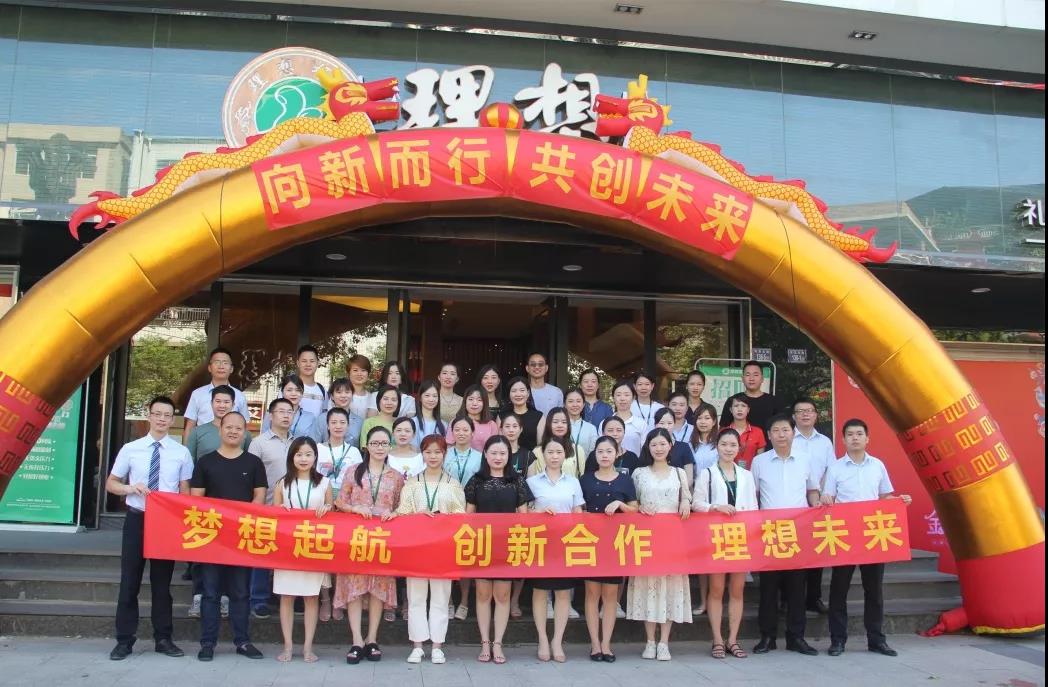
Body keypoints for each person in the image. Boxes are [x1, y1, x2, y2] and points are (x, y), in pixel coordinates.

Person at [106, 396, 193, 661]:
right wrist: (130, 488)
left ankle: (163, 638)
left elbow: (185, 492)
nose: (162, 419)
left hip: (165, 523)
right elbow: (111, 483)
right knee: (129, 581)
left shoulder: (181, 452)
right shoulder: (131, 449)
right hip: (137, 518)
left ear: (173, 419)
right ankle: (124, 640)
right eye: (158, 414)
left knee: (162, 584)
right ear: (149, 415)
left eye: (167, 415)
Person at [822, 418, 911, 658]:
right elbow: (828, 498)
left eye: (859, 434)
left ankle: (876, 640)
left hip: (872, 534)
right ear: (843, 440)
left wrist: (900, 501)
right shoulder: (836, 468)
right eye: (850, 434)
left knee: (874, 591)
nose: (855, 438)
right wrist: (826, 499)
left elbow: (885, 497)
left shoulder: (877, 465)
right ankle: (837, 640)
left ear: (867, 438)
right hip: (845, 535)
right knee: (838, 590)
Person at [190, 412, 267, 662]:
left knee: (241, 592)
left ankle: (242, 641)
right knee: (210, 592)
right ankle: (207, 643)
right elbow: (196, 499)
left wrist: (239, 522)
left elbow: (259, 497)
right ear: (220, 429)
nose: (233, 431)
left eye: (238, 428)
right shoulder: (205, 462)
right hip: (212, 537)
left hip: (242, 537)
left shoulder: (253, 463)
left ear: (245, 432)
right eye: (229, 427)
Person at [387, 435, 466, 664]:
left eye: (437, 452)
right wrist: (416, 515)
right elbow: (402, 512)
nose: (433, 456)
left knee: (441, 597)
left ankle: (438, 645)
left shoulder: (453, 484)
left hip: (443, 549)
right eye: (428, 452)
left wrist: (444, 518)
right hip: (418, 549)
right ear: (422, 454)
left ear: (444, 454)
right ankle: (418, 645)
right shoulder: (412, 483)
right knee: (416, 597)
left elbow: (461, 515)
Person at [750, 414, 820, 656]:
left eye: (785, 430)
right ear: (769, 435)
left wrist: (817, 506)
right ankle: (767, 637)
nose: (781, 434)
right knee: (768, 588)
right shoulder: (759, 462)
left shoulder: (805, 459)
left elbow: (812, 491)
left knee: (797, 588)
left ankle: (796, 637)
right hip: (769, 531)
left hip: (797, 531)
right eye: (776, 430)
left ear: (793, 433)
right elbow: (753, 496)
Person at [334, 426, 405, 664]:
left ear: (390, 446)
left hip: (382, 540)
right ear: (366, 446)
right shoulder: (353, 471)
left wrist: (393, 514)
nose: (379, 448)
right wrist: (355, 508)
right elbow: (340, 501)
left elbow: (400, 506)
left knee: (378, 588)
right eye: (375, 443)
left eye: (384, 443)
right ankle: (356, 639)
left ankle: (372, 638)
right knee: (354, 587)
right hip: (356, 538)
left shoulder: (396, 476)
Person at [464, 436, 533, 664]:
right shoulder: (476, 481)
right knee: (483, 595)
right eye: (493, 453)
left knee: (502, 596)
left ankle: (498, 643)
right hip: (483, 545)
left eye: (502, 453)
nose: (497, 457)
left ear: (508, 456)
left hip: (508, 545)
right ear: (485, 454)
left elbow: (523, 517)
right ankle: (485, 642)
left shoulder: (517, 481)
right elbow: (469, 516)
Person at [183, 385, 249, 618]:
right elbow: (189, 464)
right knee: (202, 554)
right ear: (210, 404)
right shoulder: (198, 432)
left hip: (234, 510)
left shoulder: (244, 434)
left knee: (230, 556)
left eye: (226, 402)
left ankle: (224, 598)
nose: (222, 405)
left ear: (233, 404)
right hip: (205, 505)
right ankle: (198, 597)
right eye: (218, 401)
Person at [692, 428, 758, 659]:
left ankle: (733, 639)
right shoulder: (707, 474)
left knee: (737, 590)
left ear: (739, 448)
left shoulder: (746, 475)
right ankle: (718, 640)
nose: (728, 449)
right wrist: (715, 507)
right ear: (717, 447)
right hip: (716, 536)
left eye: (733, 445)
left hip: (741, 537)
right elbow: (696, 502)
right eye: (724, 445)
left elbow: (753, 507)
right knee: (717, 589)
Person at [627, 428, 692, 661]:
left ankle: (664, 642)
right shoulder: (639, 473)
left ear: (670, 446)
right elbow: (632, 503)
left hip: (673, 537)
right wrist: (639, 508)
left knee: (670, 587)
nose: (658, 448)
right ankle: (650, 641)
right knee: (648, 587)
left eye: (663, 444)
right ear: (648, 447)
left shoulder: (679, 473)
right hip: (646, 537)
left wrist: (686, 501)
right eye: (654, 444)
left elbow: (687, 496)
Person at [273, 437, 333, 663]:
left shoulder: (324, 483)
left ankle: (308, 647)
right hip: (288, 547)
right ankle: (288, 646)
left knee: (311, 597)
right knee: (286, 596)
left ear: (315, 457)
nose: (304, 459)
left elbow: (332, 513)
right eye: (299, 454)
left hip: (314, 546)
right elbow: (272, 516)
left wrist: (328, 508)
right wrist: (280, 509)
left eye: (308, 454)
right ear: (292, 457)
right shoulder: (282, 483)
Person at [580, 435, 638, 662]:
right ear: (595, 454)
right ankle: (595, 644)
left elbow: (635, 509)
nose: (604, 455)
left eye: (609, 451)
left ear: (617, 454)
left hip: (615, 544)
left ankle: (607, 644)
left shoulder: (625, 480)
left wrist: (621, 504)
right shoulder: (585, 480)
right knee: (592, 593)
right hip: (590, 543)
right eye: (600, 451)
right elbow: (578, 509)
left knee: (611, 595)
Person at [527, 438, 585, 663]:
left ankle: (557, 640)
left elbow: (578, 512)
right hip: (540, 542)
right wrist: (538, 514)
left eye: (558, 452)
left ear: (565, 455)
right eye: (550, 452)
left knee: (563, 593)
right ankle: (542, 639)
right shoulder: (532, 482)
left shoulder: (573, 482)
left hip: (565, 543)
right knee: (540, 591)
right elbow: (523, 513)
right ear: (543, 455)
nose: (554, 456)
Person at [246, 397, 294, 619]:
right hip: (266, 507)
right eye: (281, 411)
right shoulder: (259, 443)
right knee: (262, 554)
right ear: (270, 415)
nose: (286, 415)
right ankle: (259, 599)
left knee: (289, 554)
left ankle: (286, 595)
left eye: (289, 412)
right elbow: (250, 476)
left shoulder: (298, 443)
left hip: (293, 510)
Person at [315, 406, 363, 623]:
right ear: (327, 425)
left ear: (348, 425)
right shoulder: (317, 449)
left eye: (342, 422)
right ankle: (325, 599)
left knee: (342, 553)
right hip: (322, 506)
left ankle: (339, 599)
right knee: (323, 552)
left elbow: (358, 482)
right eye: (333, 422)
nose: (338, 426)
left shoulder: (354, 452)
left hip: (346, 506)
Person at [791, 397, 836, 615]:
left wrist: (825, 496)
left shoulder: (825, 442)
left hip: (819, 505)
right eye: (800, 411)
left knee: (817, 552)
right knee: (791, 551)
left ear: (816, 415)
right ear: (794, 416)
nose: (805, 414)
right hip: (794, 504)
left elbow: (831, 471)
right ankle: (788, 598)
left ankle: (814, 598)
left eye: (809, 410)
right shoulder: (788, 438)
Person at [444, 415, 483, 621]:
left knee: (465, 558)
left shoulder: (480, 457)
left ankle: (465, 601)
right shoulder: (444, 453)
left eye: (465, 430)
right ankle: (449, 600)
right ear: (452, 432)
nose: (461, 433)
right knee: (447, 558)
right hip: (447, 511)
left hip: (471, 511)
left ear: (472, 433)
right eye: (457, 429)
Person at [182, 347, 249, 438]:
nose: (221, 366)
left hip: (231, 444)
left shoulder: (239, 396)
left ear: (231, 369)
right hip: (203, 443)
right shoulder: (197, 394)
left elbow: (245, 427)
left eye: (225, 363)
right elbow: (189, 427)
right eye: (217, 362)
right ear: (209, 368)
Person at [718, 360, 783, 437]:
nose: (751, 378)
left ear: (762, 378)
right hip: (738, 444)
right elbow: (723, 429)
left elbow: (781, 427)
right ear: (742, 378)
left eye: (756, 375)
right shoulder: (733, 401)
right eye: (747, 374)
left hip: (767, 444)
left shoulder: (774, 401)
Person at [261, 374, 320, 441]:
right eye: (289, 390)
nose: (293, 394)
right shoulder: (272, 413)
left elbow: (312, 441)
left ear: (302, 393)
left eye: (298, 390)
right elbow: (263, 438)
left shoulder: (310, 417)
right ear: (282, 392)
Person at [529, 408, 582, 480]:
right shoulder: (537, 451)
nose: (560, 425)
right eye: (555, 422)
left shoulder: (577, 449)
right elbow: (534, 479)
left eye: (564, 422)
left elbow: (581, 477)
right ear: (548, 424)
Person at [312, 377, 364, 447]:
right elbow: (314, 445)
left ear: (352, 395)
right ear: (332, 396)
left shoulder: (359, 422)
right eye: (339, 392)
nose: (343, 396)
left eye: (347, 392)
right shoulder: (322, 419)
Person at [600, 380, 646, 456]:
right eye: (618, 395)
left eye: (626, 395)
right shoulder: (604, 423)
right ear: (613, 397)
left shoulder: (641, 424)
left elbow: (645, 451)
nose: (622, 398)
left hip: (634, 463)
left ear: (633, 398)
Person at [447, 385, 498, 450]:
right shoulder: (456, 422)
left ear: (485, 403)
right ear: (465, 401)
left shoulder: (491, 425)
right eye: (470, 399)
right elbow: (449, 447)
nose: (474, 403)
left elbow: (494, 449)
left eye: (479, 400)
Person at [653, 407, 696, 485]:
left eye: (669, 423)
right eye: (662, 423)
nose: (666, 427)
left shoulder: (684, 447)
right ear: (655, 425)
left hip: (679, 490)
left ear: (674, 424)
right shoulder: (649, 447)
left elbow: (689, 479)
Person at [499, 376, 542, 450]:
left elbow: (540, 446)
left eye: (522, 390)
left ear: (528, 393)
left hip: (531, 456)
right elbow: (499, 442)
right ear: (509, 394)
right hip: (507, 456)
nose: (518, 394)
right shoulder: (502, 416)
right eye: (514, 391)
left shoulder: (539, 416)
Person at [725, 395, 766, 467]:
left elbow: (761, 459)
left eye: (743, 406)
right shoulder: (724, 432)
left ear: (748, 410)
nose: (739, 409)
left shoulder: (758, 432)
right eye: (736, 406)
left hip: (752, 472)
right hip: (728, 472)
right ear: (731, 410)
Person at [359, 384, 400, 449]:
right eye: (385, 399)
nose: (389, 403)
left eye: (394, 400)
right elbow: (365, 448)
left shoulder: (401, 423)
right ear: (378, 401)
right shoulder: (369, 423)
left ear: (398, 403)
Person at [565, 387, 599, 458]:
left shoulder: (591, 428)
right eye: (570, 401)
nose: (575, 405)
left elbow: (593, 454)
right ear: (564, 404)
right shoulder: (559, 426)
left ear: (583, 404)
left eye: (578, 401)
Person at [295, 345, 328, 417]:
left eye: (312, 361)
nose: (308, 364)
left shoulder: (322, 391)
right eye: (304, 361)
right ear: (298, 363)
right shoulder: (289, 387)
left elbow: (324, 417)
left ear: (317, 363)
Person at [412, 380, 446, 447]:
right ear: (420, 398)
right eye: (427, 395)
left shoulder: (444, 425)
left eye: (435, 396)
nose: (431, 399)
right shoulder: (412, 422)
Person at [499, 412, 534, 477]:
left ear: (521, 429)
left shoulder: (528, 455)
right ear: (501, 430)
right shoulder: (495, 454)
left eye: (515, 426)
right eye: (507, 426)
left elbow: (531, 481)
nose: (511, 430)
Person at [689, 402, 719, 474]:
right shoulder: (690, 444)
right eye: (699, 418)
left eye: (707, 418)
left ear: (714, 421)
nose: (702, 422)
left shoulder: (720, 443)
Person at [346, 354, 377, 419]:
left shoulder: (372, 398)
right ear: (349, 373)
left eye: (363, 370)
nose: (359, 374)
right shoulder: (341, 395)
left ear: (368, 373)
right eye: (355, 370)